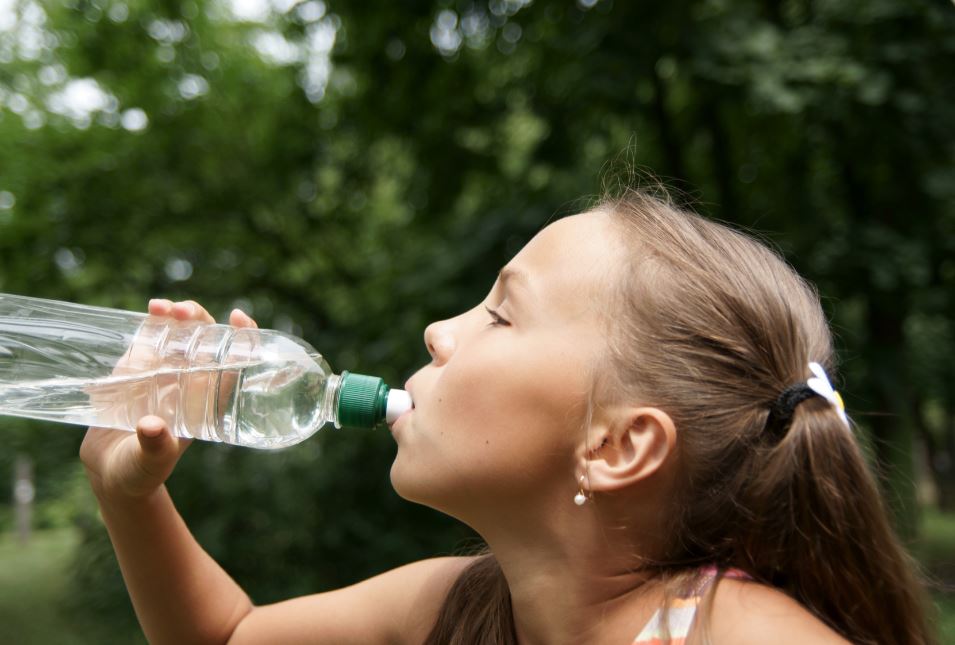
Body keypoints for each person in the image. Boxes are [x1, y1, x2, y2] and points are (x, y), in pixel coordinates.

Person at [80, 188, 935, 644]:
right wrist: (126, 490)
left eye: (498, 312)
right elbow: (228, 637)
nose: (436, 332)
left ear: (615, 444)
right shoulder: (457, 612)